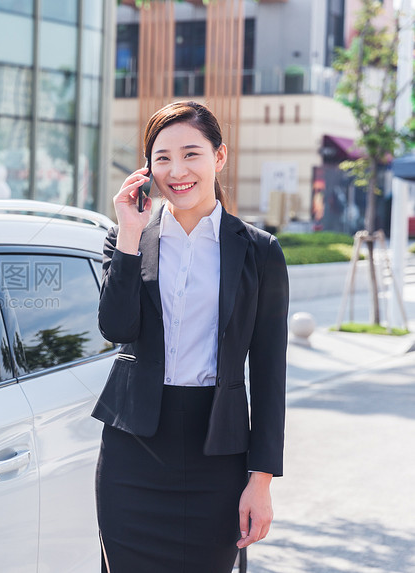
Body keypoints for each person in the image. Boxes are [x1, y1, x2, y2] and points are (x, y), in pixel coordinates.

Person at [92, 101, 288, 573]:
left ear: (219, 157)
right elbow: (116, 329)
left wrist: (260, 481)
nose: (176, 170)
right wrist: (128, 235)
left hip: (217, 454)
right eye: (162, 158)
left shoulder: (258, 252)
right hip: (132, 453)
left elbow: (268, 372)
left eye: (191, 154)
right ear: (146, 169)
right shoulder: (129, 239)